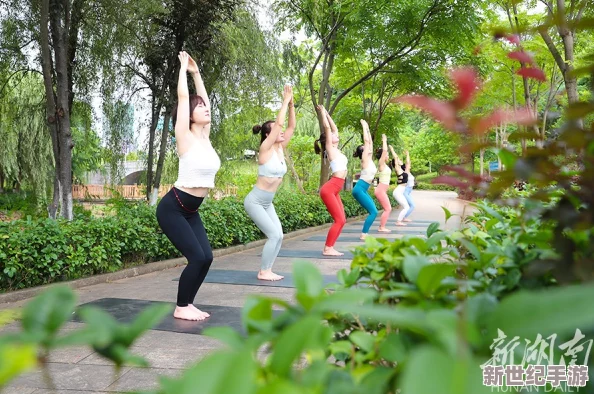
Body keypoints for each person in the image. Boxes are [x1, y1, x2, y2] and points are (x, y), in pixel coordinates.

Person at [156, 51, 220, 321]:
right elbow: (184, 98)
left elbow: (201, 98)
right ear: (189, 116)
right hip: (173, 208)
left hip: (191, 211)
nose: (206, 108)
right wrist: (182, 70)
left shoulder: (204, 136)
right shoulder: (185, 137)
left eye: (206, 107)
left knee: (207, 257)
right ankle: (181, 306)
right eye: (200, 107)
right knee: (196, 257)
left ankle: (188, 303)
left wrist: (197, 73)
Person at [244, 85, 295, 281]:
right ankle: (263, 271)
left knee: (279, 236)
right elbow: (281, 127)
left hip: (268, 202)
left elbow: (290, 127)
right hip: (255, 201)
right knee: (273, 235)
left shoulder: (280, 148)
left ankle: (268, 269)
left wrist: (291, 105)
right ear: (267, 135)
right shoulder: (265, 149)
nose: (280, 132)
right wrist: (283, 101)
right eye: (275, 130)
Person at [315, 105, 347, 256]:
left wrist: (327, 113)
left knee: (343, 220)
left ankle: (330, 247)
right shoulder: (330, 149)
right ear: (328, 140)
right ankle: (328, 248)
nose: (336, 135)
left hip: (336, 188)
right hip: (330, 188)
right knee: (339, 220)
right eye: (333, 136)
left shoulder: (336, 149)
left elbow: (334, 128)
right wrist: (322, 115)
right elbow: (328, 129)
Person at [352, 120, 378, 240]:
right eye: (365, 148)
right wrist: (364, 126)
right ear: (363, 152)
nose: (368, 147)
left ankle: (365, 233)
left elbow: (370, 142)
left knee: (374, 211)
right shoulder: (365, 159)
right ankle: (364, 234)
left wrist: (368, 128)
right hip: (359, 189)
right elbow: (367, 142)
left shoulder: (370, 159)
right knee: (374, 212)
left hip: (363, 189)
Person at [374, 134, 392, 232]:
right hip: (380, 190)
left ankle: (382, 226)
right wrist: (384, 140)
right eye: (387, 155)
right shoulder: (381, 163)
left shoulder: (385, 164)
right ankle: (381, 227)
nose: (387, 156)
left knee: (388, 209)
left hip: (382, 190)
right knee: (388, 209)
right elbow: (384, 151)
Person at [389, 145, 410, 227]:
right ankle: (398, 221)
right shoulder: (397, 169)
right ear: (396, 163)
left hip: (401, 191)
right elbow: (395, 157)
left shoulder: (404, 170)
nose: (399, 160)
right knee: (406, 207)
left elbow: (408, 163)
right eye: (398, 160)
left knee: (406, 206)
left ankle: (399, 220)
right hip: (398, 191)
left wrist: (407, 154)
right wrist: (392, 149)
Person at [402, 150, 415, 222]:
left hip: (409, 191)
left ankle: (403, 217)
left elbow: (408, 163)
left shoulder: (409, 172)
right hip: (406, 191)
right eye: (408, 165)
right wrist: (407, 155)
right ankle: (403, 217)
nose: (410, 165)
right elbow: (408, 162)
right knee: (412, 205)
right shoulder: (406, 172)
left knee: (408, 206)